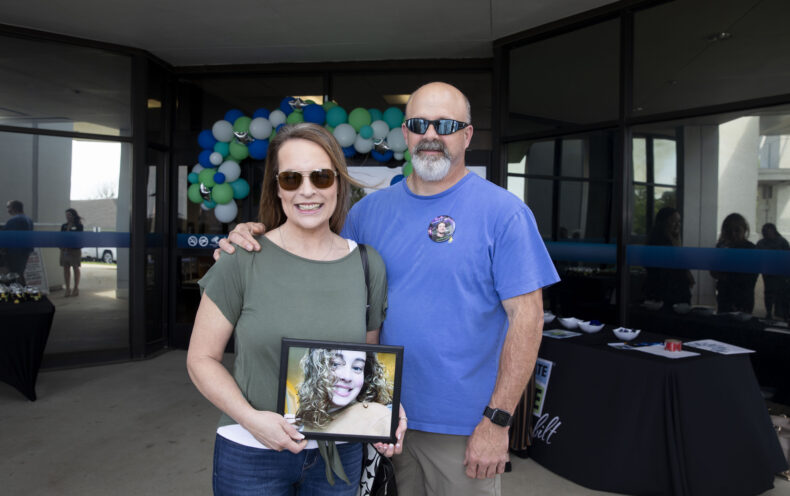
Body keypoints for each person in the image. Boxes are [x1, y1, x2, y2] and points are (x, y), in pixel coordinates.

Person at [218, 82, 560, 496]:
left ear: (467, 135)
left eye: (445, 124)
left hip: (461, 429)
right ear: (406, 135)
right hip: (369, 420)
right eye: (419, 124)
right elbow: (307, 249)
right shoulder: (366, 213)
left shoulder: (505, 214)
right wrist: (250, 234)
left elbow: (528, 319)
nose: (431, 134)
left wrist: (498, 420)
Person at [186, 123, 404, 496]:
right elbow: (201, 358)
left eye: (320, 177)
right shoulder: (242, 259)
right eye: (291, 178)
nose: (307, 191)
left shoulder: (369, 266)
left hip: (339, 457)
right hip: (252, 453)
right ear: (276, 187)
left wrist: (387, 412)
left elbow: (367, 361)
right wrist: (252, 420)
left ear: (338, 183)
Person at [297, 348, 393, 438]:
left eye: (357, 368)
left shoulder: (377, 415)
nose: (347, 377)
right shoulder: (305, 421)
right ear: (316, 368)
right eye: (335, 364)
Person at [642, 207, 694, 305]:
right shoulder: (661, 243)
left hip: (673, 293)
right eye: (673, 221)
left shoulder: (674, 241)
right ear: (663, 223)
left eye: (679, 221)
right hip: (666, 294)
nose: (677, 225)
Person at [710, 213, 758, 313]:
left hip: (743, 298)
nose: (732, 234)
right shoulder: (722, 247)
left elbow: (750, 278)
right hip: (724, 296)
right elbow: (713, 272)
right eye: (729, 231)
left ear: (744, 230)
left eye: (737, 230)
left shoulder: (751, 249)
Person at [756, 223, 790, 320]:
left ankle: (783, 314)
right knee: (769, 292)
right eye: (764, 231)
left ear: (773, 231)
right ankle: (769, 312)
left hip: (781, 273)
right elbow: (756, 257)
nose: (766, 233)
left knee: (782, 293)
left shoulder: (782, 242)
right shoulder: (761, 243)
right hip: (768, 272)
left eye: (768, 230)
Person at [2, 200, 34, 285]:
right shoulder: (28, 220)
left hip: (14, 254)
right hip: (24, 253)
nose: (8, 210)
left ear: (14, 208)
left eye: (9, 207)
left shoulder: (14, 221)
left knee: (14, 276)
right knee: (20, 274)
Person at [60, 208, 84, 297]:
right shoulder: (64, 226)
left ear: (73, 216)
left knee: (75, 268)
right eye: (66, 215)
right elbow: (61, 237)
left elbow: (79, 237)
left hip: (74, 251)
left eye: (69, 215)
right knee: (66, 269)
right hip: (65, 250)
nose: (67, 217)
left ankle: (76, 288)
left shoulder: (79, 226)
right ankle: (67, 288)